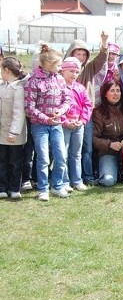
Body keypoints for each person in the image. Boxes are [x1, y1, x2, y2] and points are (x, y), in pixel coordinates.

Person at [25, 43, 71, 201]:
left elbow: (67, 100)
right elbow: (29, 107)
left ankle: (57, 185)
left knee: (61, 156)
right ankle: (43, 188)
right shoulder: (33, 81)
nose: (60, 68)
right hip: (40, 126)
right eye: (58, 65)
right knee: (43, 157)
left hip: (57, 125)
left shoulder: (59, 79)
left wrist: (60, 112)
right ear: (50, 64)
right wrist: (46, 118)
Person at [65, 32, 109, 186]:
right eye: (78, 53)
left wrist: (104, 42)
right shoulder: (63, 70)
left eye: (84, 54)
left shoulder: (89, 68)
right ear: (71, 53)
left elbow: (102, 59)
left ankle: (87, 176)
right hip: (67, 115)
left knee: (87, 148)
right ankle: (68, 178)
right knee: (66, 149)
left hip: (85, 114)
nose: (81, 57)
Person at [60, 57, 92, 193]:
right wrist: (65, 121)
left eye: (77, 72)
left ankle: (77, 180)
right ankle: (64, 181)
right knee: (63, 154)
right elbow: (55, 106)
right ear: (63, 71)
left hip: (79, 125)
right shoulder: (59, 87)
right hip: (64, 125)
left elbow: (87, 105)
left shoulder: (80, 88)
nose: (74, 74)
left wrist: (83, 120)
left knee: (76, 154)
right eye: (71, 71)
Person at [0, 57, 28, 200]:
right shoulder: (2, 86)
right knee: (2, 161)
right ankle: (3, 188)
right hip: (1, 133)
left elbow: (19, 112)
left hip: (14, 134)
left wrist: (14, 131)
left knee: (15, 162)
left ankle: (15, 188)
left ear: (6, 70)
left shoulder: (18, 88)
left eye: (1, 70)